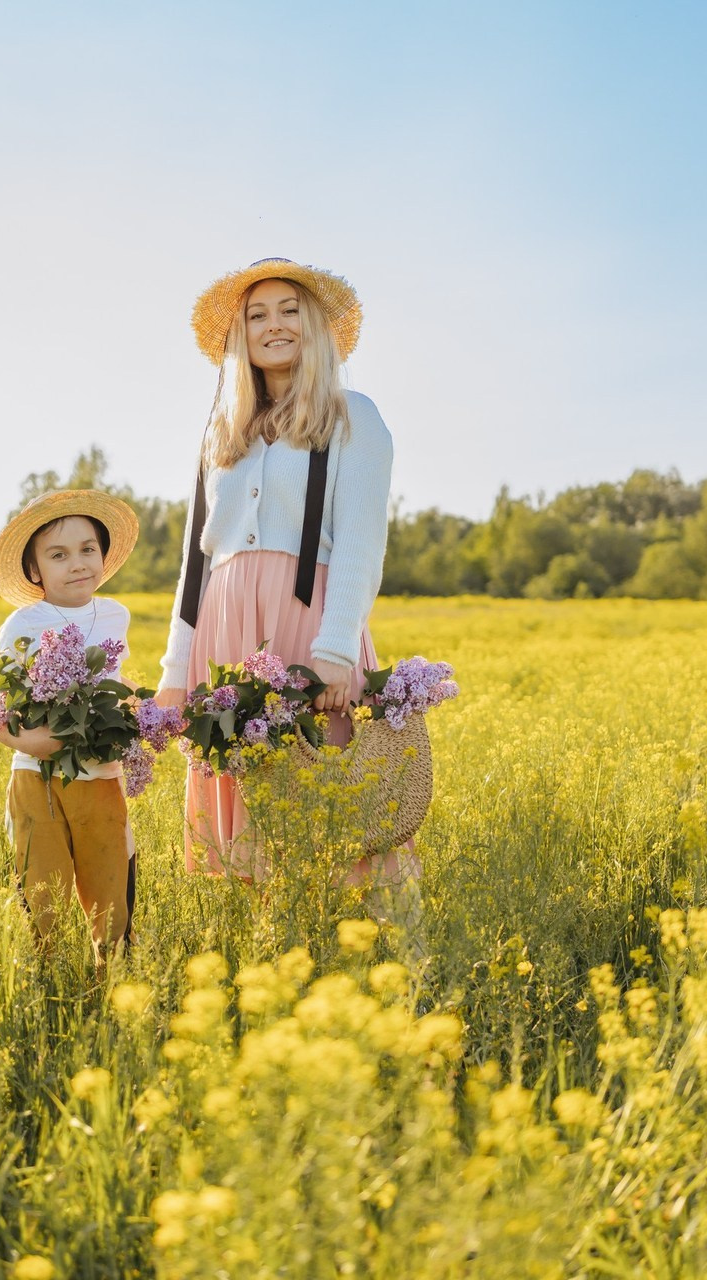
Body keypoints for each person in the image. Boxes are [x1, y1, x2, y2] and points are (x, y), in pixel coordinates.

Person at [157, 257, 418, 892]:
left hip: (309, 622)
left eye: (289, 310)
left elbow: (361, 545)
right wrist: (173, 675)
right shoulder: (221, 432)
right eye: (256, 315)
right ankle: (268, 952)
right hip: (223, 629)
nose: (273, 325)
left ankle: (364, 958)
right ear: (238, 336)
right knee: (240, 799)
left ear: (316, 326)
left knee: (326, 786)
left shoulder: (351, 415)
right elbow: (196, 565)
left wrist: (334, 653)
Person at [0, 489, 140, 959]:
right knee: (41, 889)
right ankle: (42, 978)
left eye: (88, 549)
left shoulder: (115, 615)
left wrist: (134, 714)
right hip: (37, 777)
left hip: (101, 777)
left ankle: (110, 982)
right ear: (35, 571)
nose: (78, 564)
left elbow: (117, 680)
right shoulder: (23, 623)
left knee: (111, 887)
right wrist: (35, 741)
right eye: (58, 555)